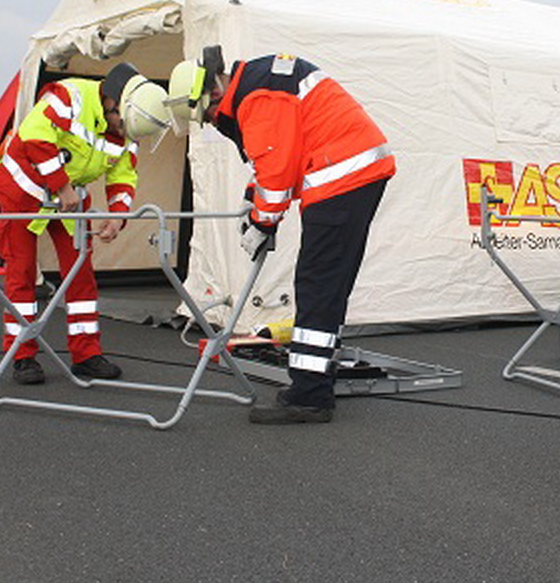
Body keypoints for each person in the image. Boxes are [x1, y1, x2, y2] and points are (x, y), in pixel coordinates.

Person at [167, 47, 396, 425]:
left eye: (204, 115)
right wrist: (255, 201)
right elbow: (275, 160)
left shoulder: (257, 97)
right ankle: (316, 379)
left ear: (211, 95)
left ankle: (309, 396)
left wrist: (261, 223)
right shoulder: (258, 84)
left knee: (318, 283)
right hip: (351, 171)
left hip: (341, 175)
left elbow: (276, 173)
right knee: (326, 283)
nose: (209, 122)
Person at [0, 62, 172, 384]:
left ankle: (86, 354)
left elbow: (123, 174)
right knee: (21, 275)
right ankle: (22, 356)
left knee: (80, 272)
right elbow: (33, 135)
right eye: (122, 125)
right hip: (23, 191)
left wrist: (118, 217)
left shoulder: (126, 126)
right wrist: (60, 184)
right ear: (112, 102)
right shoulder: (70, 95)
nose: (123, 133)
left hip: (68, 197)